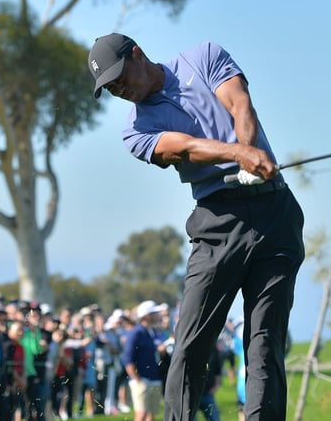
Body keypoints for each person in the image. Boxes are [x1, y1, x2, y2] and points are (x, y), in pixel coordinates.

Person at [87, 33, 305, 421]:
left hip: (276, 213)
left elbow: (239, 103)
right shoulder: (136, 131)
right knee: (192, 341)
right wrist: (241, 155)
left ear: (137, 53)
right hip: (216, 222)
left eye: (120, 78)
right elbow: (185, 147)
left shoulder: (203, 58)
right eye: (111, 88)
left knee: (265, 340)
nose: (120, 90)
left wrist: (250, 153)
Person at [122, 301, 166, 421]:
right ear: (147, 315)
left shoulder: (151, 331)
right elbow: (128, 359)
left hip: (153, 378)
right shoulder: (136, 333)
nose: (158, 315)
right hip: (141, 380)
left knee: (151, 416)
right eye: (155, 312)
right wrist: (138, 380)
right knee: (141, 415)